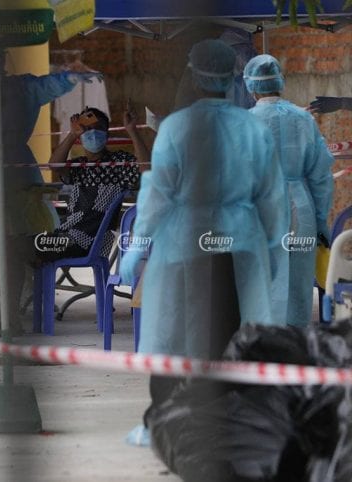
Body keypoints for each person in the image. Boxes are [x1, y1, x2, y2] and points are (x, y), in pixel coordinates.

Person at [119, 40, 288, 444]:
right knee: (229, 333)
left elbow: (157, 194)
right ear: (234, 78)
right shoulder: (253, 128)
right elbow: (271, 196)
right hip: (238, 245)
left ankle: (164, 419)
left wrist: (137, 245)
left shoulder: (177, 127)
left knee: (174, 331)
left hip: (184, 243)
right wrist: (272, 248)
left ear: (194, 77)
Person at [0, 49, 101, 335]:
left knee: (1, 248)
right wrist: (72, 75)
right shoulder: (12, 89)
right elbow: (50, 85)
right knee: (12, 245)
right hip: (14, 179)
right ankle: (22, 307)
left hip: (0, 181)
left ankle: (16, 312)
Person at [244, 54, 334, 326]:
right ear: (280, 83)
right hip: (300, 209)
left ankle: (261, 351)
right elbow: (321, 176)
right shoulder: (304, 120)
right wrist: (320, 221)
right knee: (298, 283)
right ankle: (293, 352)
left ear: (251, 87)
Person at [41, 104, 146, 262]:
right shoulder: (80, 166)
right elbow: (54, 165)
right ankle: (30, 286)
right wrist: (72, 135)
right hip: (66, 235)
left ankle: (29, 285)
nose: (93, 133)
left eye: (99, 128)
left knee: (28, 247)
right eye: (87, 129)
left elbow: (146, 168)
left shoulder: (117, 163)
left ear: (107, 135)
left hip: (91, 241)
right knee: (19, 245)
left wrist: (132, 130)